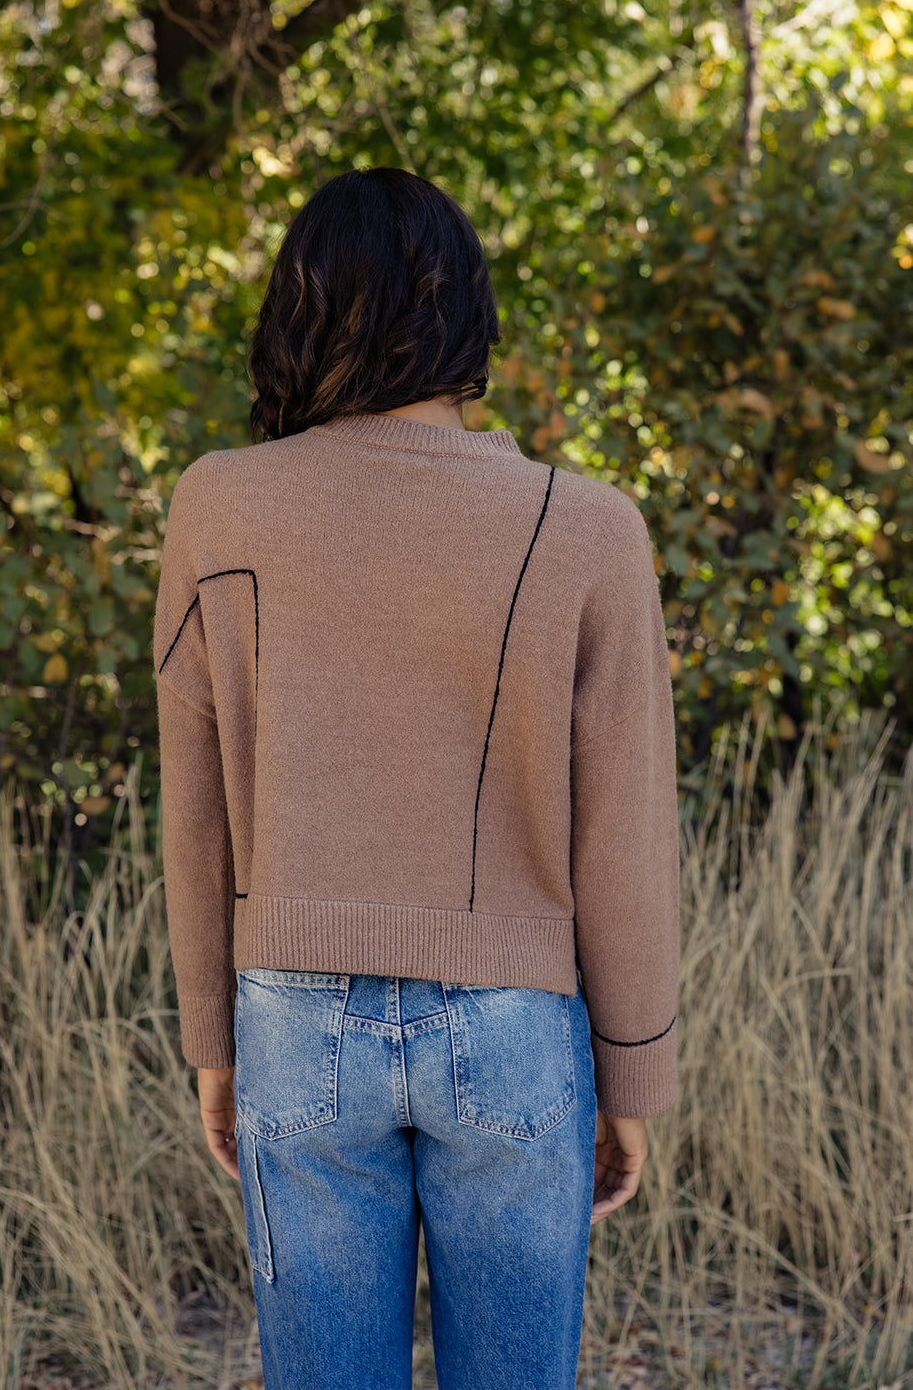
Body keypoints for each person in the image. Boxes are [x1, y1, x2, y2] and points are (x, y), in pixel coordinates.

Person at [154, 166, 679, 1390]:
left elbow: (194, 806)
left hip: (290, 1017)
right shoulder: (590, 525)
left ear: (297, 313)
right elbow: (623, 831)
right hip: (517, 1029)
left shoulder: (216, 505)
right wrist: (633, 1071)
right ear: (463, 314)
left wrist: (212, 1043)